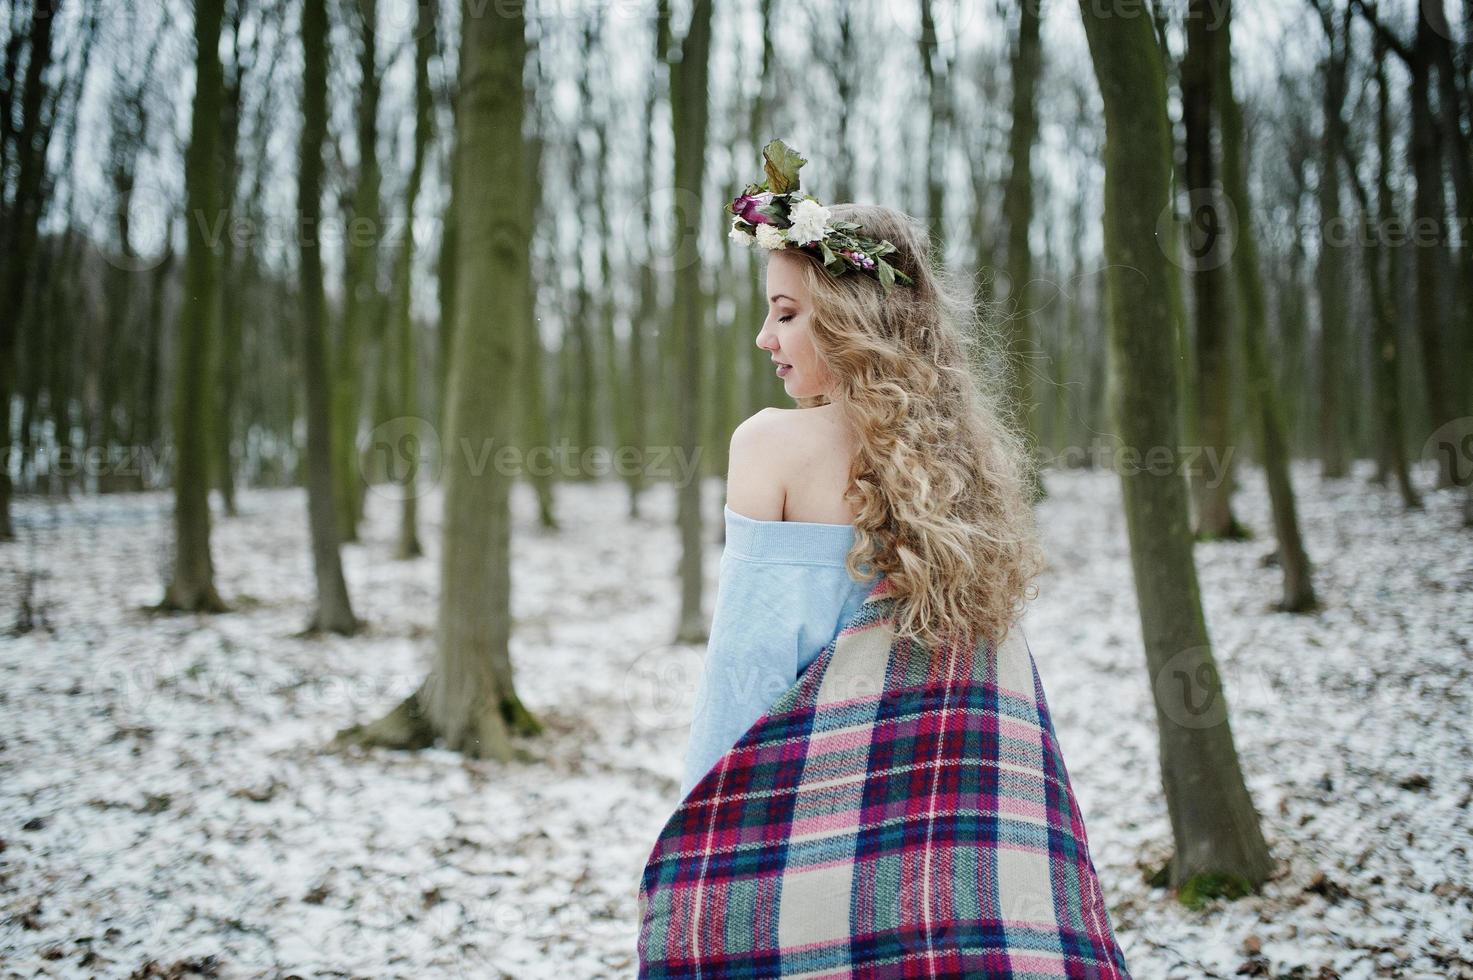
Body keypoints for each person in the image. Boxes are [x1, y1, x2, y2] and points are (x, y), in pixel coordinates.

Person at [639, 139, 1131, 977]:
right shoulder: (960, 469)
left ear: (853, 315)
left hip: (804, 836)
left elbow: (753, 669)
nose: (764, 336)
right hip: (946, 866)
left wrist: (702, 829)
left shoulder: (771, 446)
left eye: (787, 312)